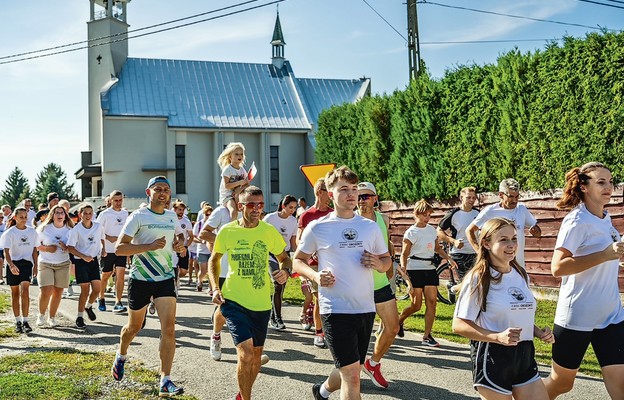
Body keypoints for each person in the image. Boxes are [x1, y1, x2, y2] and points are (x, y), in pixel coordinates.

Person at [294, 166, 391, 400]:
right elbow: (298, 260)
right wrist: (316, 276)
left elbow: (387, 260)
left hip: (365, 308)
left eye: (354, 189)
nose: (351, 194)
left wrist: (379, 264)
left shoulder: (370, 226)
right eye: (344, 189)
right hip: (335, 309)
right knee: (352, 376)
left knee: (353, 367)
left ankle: (323, 390)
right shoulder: (318, 227)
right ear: (329, 192)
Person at [542, 162, 624, 399]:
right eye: (601, 182)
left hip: (611, 316)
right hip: (577, 317)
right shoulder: (576, 221)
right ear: (584, 186)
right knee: (561, 384)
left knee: (620, 384)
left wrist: (615, 258)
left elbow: (604, 258)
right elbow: (557, 267)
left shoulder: (605, 218)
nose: (609, 187)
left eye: (610, 182)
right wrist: (606, 255)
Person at [452, 217, 555, 399]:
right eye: (503, 239)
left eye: (514, 238)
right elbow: (459, 325)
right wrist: (497, 337)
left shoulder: (521, 274)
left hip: (524, 355)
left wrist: (539, 332)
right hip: (492, 356)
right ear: (486, 244)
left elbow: (518, 316)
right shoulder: (478, 278)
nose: (511, 244)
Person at [209, 185, 292, 400]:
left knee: (255, 358)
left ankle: (243, 393)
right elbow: (214, 259)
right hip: (234, 300)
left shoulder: (267, 231)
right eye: (252, 205)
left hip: (261, 303)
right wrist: (215, 287)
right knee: (245, 355)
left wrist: (285, 271)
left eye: (261, 204)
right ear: (240, 205)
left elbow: (284, 258)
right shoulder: (228, 231)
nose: (257, 209)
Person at [111, 176, 186, 397]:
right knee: (133, 327)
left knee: (169, 329)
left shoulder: (172, 217)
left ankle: (165, 380)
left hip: (164, 279)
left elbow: (179, 239)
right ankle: (121, 354)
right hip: (140, 279)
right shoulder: (138, 216)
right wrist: (149, 246)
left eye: (166, 190)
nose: (162, 193)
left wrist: (179, 245)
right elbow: (119, 249)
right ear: (148, 192)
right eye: (158, 189)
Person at [355, 181, 399, 389]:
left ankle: (372, 364)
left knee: (392, 327)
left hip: (380, 283)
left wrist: (392, 273)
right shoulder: (350, 221)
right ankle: (348, 374)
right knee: (356, 335)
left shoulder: (384, 219)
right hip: (357, 286)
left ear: (375, 198)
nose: (362, 200)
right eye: (359, 196)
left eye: (366, 196)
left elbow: (387, 247)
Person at [398, 199, 457, 347]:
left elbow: (437, 248)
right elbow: (404, 254)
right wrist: (404, 269)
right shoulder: (411, 232)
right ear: (416, 214)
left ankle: (427, 336)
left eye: (429, 215)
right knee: (416, 305)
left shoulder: (431, 230)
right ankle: (399, 321)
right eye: (424, 214)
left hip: (430, 269)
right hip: (414, 269)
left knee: (432, 303)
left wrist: (448, 258)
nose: (427, 217)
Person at [466, 179, 541, 268]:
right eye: (510, 196)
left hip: (518, 267)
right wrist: (480, 253)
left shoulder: (522, 209)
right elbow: (469, 231)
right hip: (496, 268)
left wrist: (536, 232)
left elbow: (538, 232)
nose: (514, 200)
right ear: (501, 195)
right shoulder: (490, 211)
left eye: (517, 196)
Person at [297, 178, 333, 348]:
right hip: (313, 264)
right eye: (328, 191)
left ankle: (332, 330)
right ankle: (319, 333)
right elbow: (298, 240)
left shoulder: (334, 213)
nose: (331, 195)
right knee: (319, 298)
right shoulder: (307, 215)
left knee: (333, 298)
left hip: (332, 263)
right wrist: (313, 251)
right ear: (320, 192)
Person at [67, 203, 106, 329]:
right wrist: (83, 256)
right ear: (80, 215)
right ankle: (79, 317)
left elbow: (102, 238)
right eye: (85, 213)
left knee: (97, 289)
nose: (88, 215)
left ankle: (88, 306)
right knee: (85, 290)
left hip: (93, 261)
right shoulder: (76, 229)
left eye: (90, 213)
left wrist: (104, 249)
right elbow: (70, 248)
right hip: (81, 261)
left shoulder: (98, 226)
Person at [437, 186, 480, 301]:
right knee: (467, 283)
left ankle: (454, 289)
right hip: (459, 254)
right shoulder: (454, 214)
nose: (471, 200)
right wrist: (453, 241)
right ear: (461, 198)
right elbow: (439, 231)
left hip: (476, 252)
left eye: (473, 197)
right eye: (468, 197)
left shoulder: (478, 213)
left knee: (476, 281)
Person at [263, 194, 298, 330]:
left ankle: (273, 316)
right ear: (283, 206)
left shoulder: (293, 221)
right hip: (271, 256)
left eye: (295, 208)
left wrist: (301, 256)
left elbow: (293, 242)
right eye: (290, 207)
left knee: (281, 287)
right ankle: (277, 318)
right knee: (277, 283)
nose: (292, 210)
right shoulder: (270, 218)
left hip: (285, 257)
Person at [35, 204, 74, 328]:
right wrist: (48, 249)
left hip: (63, 263)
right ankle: (41, 315)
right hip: (46, 263)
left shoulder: (70, 229)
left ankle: (51, 317)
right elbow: (36, 245)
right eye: (57, 213)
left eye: (62, 213)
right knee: (46, 290)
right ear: (52, 215)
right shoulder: (43, 228)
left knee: (58, 291)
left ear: (65, 215)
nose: (60, 215)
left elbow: (75, 246)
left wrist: (66, 247)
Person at [1, 207, 38, 333]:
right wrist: (11, 265)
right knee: (15, 293)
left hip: (26, 264)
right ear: (15, 218)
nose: (23, 219)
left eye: (25, 217)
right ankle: (17, 321)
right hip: (14, 263)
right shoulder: (10, 233)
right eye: (21, 217)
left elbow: (34, 249)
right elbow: (6, 251)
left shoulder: (32, 232)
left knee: (25, 290)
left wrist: (36, 266)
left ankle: (26, 320)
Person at [96, 190, 129, 313]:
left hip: (121, 249)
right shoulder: (105, 214)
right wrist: (107, 238)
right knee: (106, 275)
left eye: (120, 200)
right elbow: (97, 230)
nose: (118, 203)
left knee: (120, 275)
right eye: (116, 200)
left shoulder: (125, 213)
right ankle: (101, 297)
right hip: (108, 250)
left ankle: (118, 302)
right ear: (110, 201)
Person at [218, 142, 250, 221]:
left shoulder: (242, 170)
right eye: (236, 154)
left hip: (237, 195)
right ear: (230, 157)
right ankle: (232, 229)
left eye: (241, 154)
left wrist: (239, 189)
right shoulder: (227, 169)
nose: (240, 156)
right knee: (234, 212)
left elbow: (247, 184)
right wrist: (240, 183)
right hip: (227, 196)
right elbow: (227, 185)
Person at [191, 203, 213, 291]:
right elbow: (193, 237)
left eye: (211, 214)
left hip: (212, 250)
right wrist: (201, 241)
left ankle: (211, 288)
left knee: (211, 270)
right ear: (203, 214)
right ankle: (200, 281)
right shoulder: (199, 224)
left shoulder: (214, 224)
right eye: (207, 214)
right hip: (202, 250)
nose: (209, 216)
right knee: (203, 271)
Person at [172, 201, 193, 286]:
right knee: (172, 267)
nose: (181, 211)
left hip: (183, 248)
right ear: (175, 209)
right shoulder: (171, 220)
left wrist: (185, 247)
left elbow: (191, 236)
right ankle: (173, 280)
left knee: (184, 271)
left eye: (183, 210)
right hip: (172, 248)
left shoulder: (186, 221)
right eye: (179, 209)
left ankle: (176, 277)